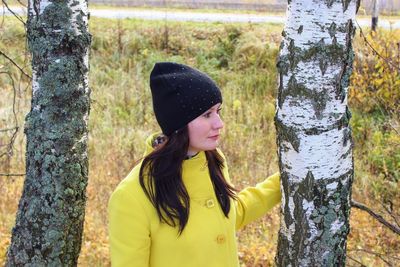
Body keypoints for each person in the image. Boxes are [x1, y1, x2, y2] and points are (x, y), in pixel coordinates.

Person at [108, 62, 281, 267]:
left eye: (218, 111)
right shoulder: (132, 196)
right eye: (207, 114)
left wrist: (285, 181)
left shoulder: (213, 160)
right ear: (178, 123)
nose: (219, 123)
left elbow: (229, 214)